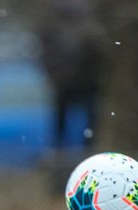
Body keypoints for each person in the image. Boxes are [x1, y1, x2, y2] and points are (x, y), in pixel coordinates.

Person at [36, 0, 106, 161]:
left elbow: (99, 57)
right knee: (62, 124)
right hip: (65, 85)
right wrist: (56, 76)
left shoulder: (89, 30)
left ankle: (87, 153)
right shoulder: (53, 31)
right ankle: (61, 154)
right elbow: (46, 57)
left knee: (88, 123)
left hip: (85, 85)